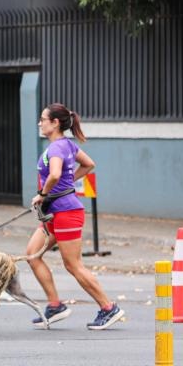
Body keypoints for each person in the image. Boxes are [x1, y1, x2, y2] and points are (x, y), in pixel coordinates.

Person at [25, 103, 124, 330]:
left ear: (55, 123)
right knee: (32, 255)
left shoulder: (57, 148)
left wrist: (42, 194)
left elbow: (56, 174)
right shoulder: (67, 145)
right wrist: (65, 186)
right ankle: (55, 305)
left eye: (43, 119)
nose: (40, 123)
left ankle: (109, 308)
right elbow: (88, 164)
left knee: (73, 265)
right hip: (55, 214)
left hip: (66, 213)